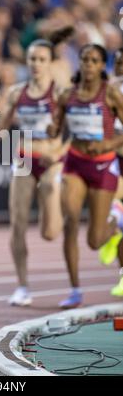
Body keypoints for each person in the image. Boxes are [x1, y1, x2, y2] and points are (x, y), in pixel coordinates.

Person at [48, 43, 123, 309]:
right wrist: (51, 129)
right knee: (70, 221)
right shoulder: (68, 95)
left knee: (94, 241)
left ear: (103, 66)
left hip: (103, 168)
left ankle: (115, 220)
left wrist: (108, 145)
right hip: (76, 163)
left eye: (94, 60)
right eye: (84, 59)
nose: (89, 64)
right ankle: (75, 289)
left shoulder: (111, 94)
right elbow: (56, 127)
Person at [0, 38, 70, 307]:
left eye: (41, 59)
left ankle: (51, 215)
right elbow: (1, 126)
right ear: (26, 62)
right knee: (17, 224)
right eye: (32, 59)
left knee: (50, 233)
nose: (36, 64)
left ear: (50, 63)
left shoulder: (61, 93)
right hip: (25, 159)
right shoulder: (18, 92)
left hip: (52, 159)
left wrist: (61, 152)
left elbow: (79, 132)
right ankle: (22, 285)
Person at [100, 48, 123, 296]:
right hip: (113, 159)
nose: (120, 66)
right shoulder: (107, 89)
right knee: (115, 208)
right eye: (117, 62)